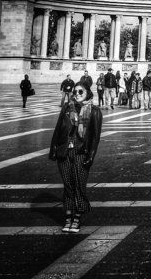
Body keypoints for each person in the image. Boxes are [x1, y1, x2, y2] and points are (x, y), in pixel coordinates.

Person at [49, 81, 102, 234]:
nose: (77, 95)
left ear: (88, 93)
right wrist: (53, 149)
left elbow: (95, 137)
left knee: (79, 184)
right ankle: (68, 217)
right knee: (68, 185)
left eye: (81, 92)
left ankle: (77, 217)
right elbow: (58, 129)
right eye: (75, 92)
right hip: (64, 152)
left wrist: (91, 156)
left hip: (81, 152)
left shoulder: (94, 111)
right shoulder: (66, 108)